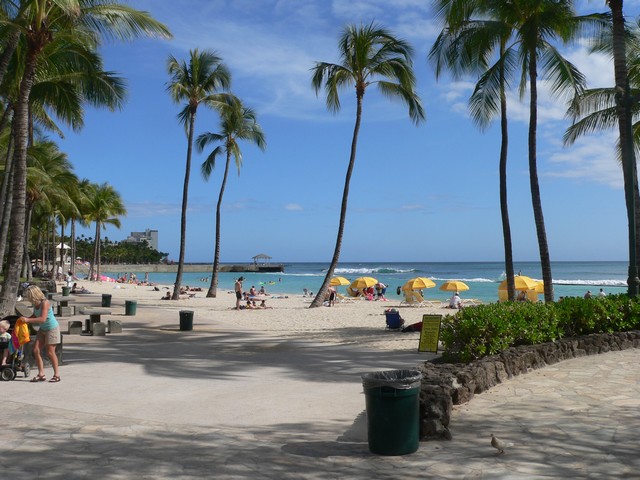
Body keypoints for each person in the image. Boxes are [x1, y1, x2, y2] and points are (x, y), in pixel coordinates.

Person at [22, 285, 61, 383]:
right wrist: (25, 320)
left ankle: (56, 375)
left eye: (29, 296)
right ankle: (41, 374)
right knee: (36, 350)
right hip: (43, 329)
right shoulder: (36, 304)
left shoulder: (45, 303)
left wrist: (28, 319)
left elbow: (42, 319)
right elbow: (35, 315)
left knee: (50, 352)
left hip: (52, 329)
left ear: (34, 295)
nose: (28, 299)